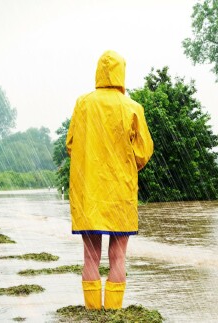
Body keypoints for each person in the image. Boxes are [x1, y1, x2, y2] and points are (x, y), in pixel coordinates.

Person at [66, 50, 153, 310]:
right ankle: (114, 313)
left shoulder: (83, 104)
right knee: (118, 257)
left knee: (90, 257)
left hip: (88, 192)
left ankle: (93, 313)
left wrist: (90, 157)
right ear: (121, 74)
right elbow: (144, 151)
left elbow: (70, 144)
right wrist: (126, 163)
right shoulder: (132, 107)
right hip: (120, 193)